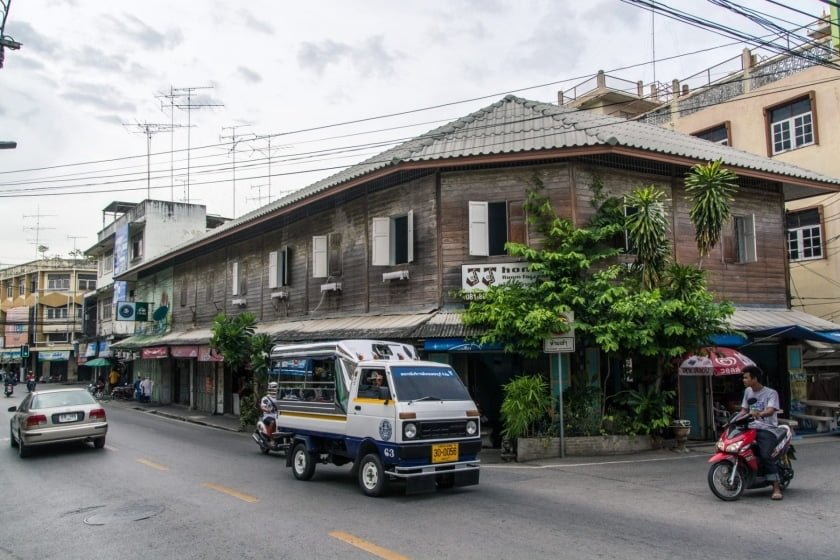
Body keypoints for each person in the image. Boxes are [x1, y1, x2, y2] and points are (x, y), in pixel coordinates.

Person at [740, 365, 783, 501]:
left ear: (755, 378)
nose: (744, 380)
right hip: (750, 427)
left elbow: (770, 410)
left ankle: (776, 487)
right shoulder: (748, 391)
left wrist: (760, 414)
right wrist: (732, 420)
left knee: (765, 455)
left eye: (746, 377)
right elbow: (744, 411)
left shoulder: (771, 393)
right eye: (743, 378)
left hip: (767, 428)